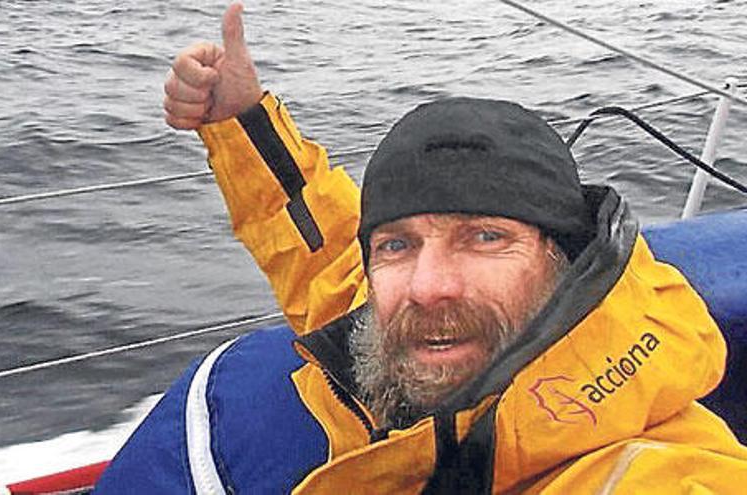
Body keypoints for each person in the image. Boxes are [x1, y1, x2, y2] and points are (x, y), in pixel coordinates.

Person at [95, 4, 747, 493]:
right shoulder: (429, 333)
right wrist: (240, 122)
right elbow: (330, 261)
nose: (430, 285)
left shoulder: (652, 470)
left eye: (485, 238)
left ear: (566, 262)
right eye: (399, 244)